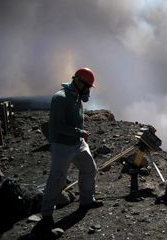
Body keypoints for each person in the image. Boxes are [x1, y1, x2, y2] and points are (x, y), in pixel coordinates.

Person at [32, 67, 103, 233]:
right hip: (62, 145)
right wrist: (80, 132)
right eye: (87, 87)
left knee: (89, 169)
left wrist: (79, 135)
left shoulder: (76, 96)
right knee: (57, 179)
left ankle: (86, 200)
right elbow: (58, 126)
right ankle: (47, 215)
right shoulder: (60, 98)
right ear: (78, 82)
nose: (87, 91)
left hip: (77, 143)